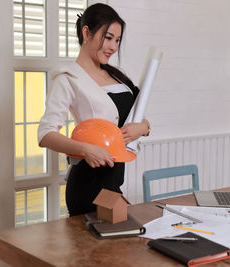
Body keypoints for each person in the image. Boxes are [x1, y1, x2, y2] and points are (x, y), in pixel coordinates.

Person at [37, 3, 150, 216]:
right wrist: (86, 149)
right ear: (86, 32)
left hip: (114, 183)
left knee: (119, 246)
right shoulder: (68, 79)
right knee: (93, 248)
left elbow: (137, 117)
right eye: (108, 38)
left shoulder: (118, 77)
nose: (114, 47)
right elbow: (45, 134)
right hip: (88, 185)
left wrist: (143, 128)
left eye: (117, 40)